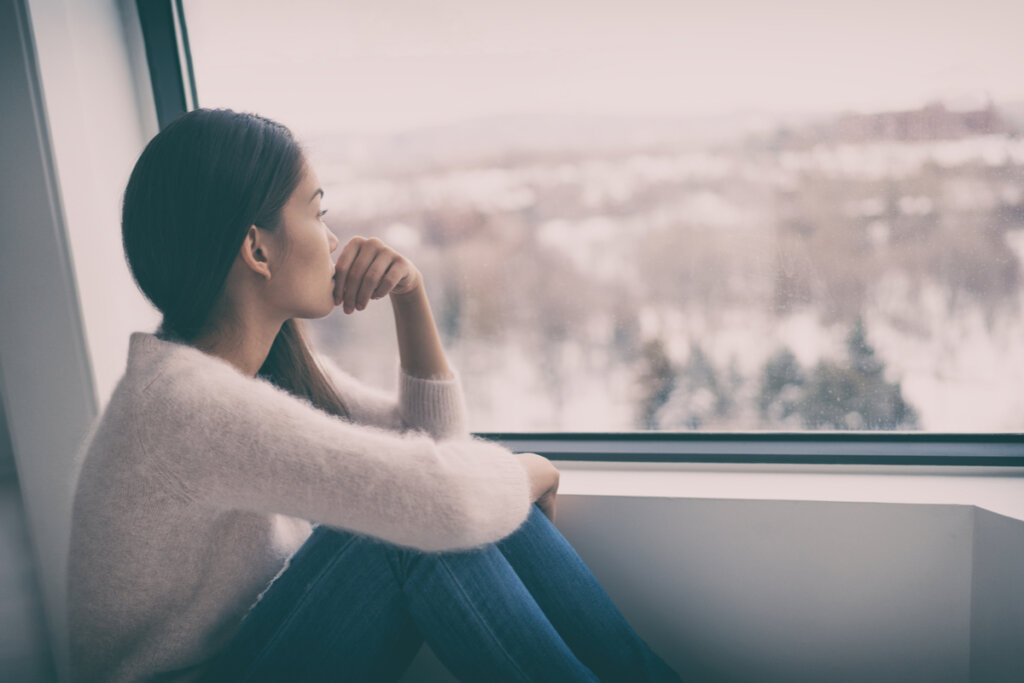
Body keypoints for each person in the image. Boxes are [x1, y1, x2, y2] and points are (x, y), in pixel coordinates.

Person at [66, 108, 682, 682]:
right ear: (257, 249)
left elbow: (435, 451)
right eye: (317, 214)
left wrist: (411, 298)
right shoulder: (185, 406)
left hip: (259, 650)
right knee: (412, 525)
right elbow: (441, 502)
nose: (333, 240)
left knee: (441, 505)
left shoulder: (253, 370)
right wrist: (531, 471)